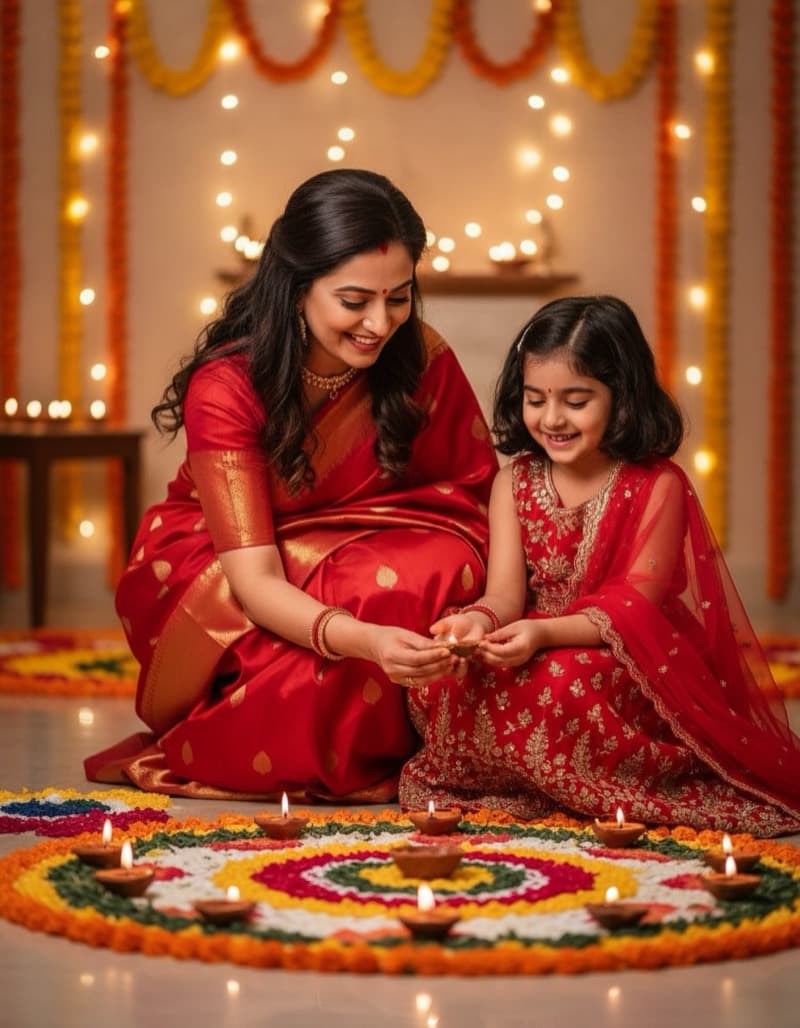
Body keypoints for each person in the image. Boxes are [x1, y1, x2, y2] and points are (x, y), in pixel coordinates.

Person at [85, 169, 497, 802]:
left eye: (399, 297)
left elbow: (473, 491)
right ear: (298, 287)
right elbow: (255, 579)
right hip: (228, 560)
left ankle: (419, 744)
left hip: (376, 537)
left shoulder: (418, 354)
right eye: (354, 301)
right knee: (373, 589)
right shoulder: (228, 386)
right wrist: (367, 640)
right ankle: (330, 744)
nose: (380, 323)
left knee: (443, 565)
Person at [400, 294, 800, 836]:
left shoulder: (657, 485)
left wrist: (543, 634)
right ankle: (529, 776)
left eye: (576, 400)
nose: (552, 419)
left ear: (622, 395)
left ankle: (564, 779)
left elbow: (636, 604)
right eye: (536, 399)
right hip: (530, 640)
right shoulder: (513, 482)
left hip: (622, 656)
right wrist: (477, 623)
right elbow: (505, 595)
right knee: (445, 678)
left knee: (564, 681)